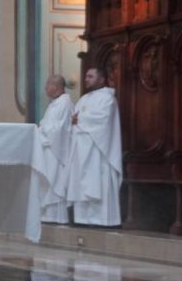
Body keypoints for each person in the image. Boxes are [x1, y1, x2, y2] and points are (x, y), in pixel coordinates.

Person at [66, 67, 122, 226]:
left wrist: (80, 120)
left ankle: (103, 220)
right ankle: (83, 219)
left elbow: (103, 120)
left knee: (98, 181)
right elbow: (74, 119)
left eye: (90, 76)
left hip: (98, 149)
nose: (86, 79)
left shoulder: (108, 98)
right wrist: (75, 121)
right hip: (81, 148)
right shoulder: (83, 99)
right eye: (86, 76)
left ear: (102, 79)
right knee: (81, 183)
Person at [38, 74, 74, 224]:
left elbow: (60, 130)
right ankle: (48, 215)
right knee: (48, 180)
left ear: (56, 87)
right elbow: (45, 124)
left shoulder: (65, 104)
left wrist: (43, 132)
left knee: (55, 180)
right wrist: (41, 130)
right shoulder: (54, 104)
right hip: (49, 149)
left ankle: (57, 216)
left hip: (57, 151)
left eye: (48, 85)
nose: (45, 88)